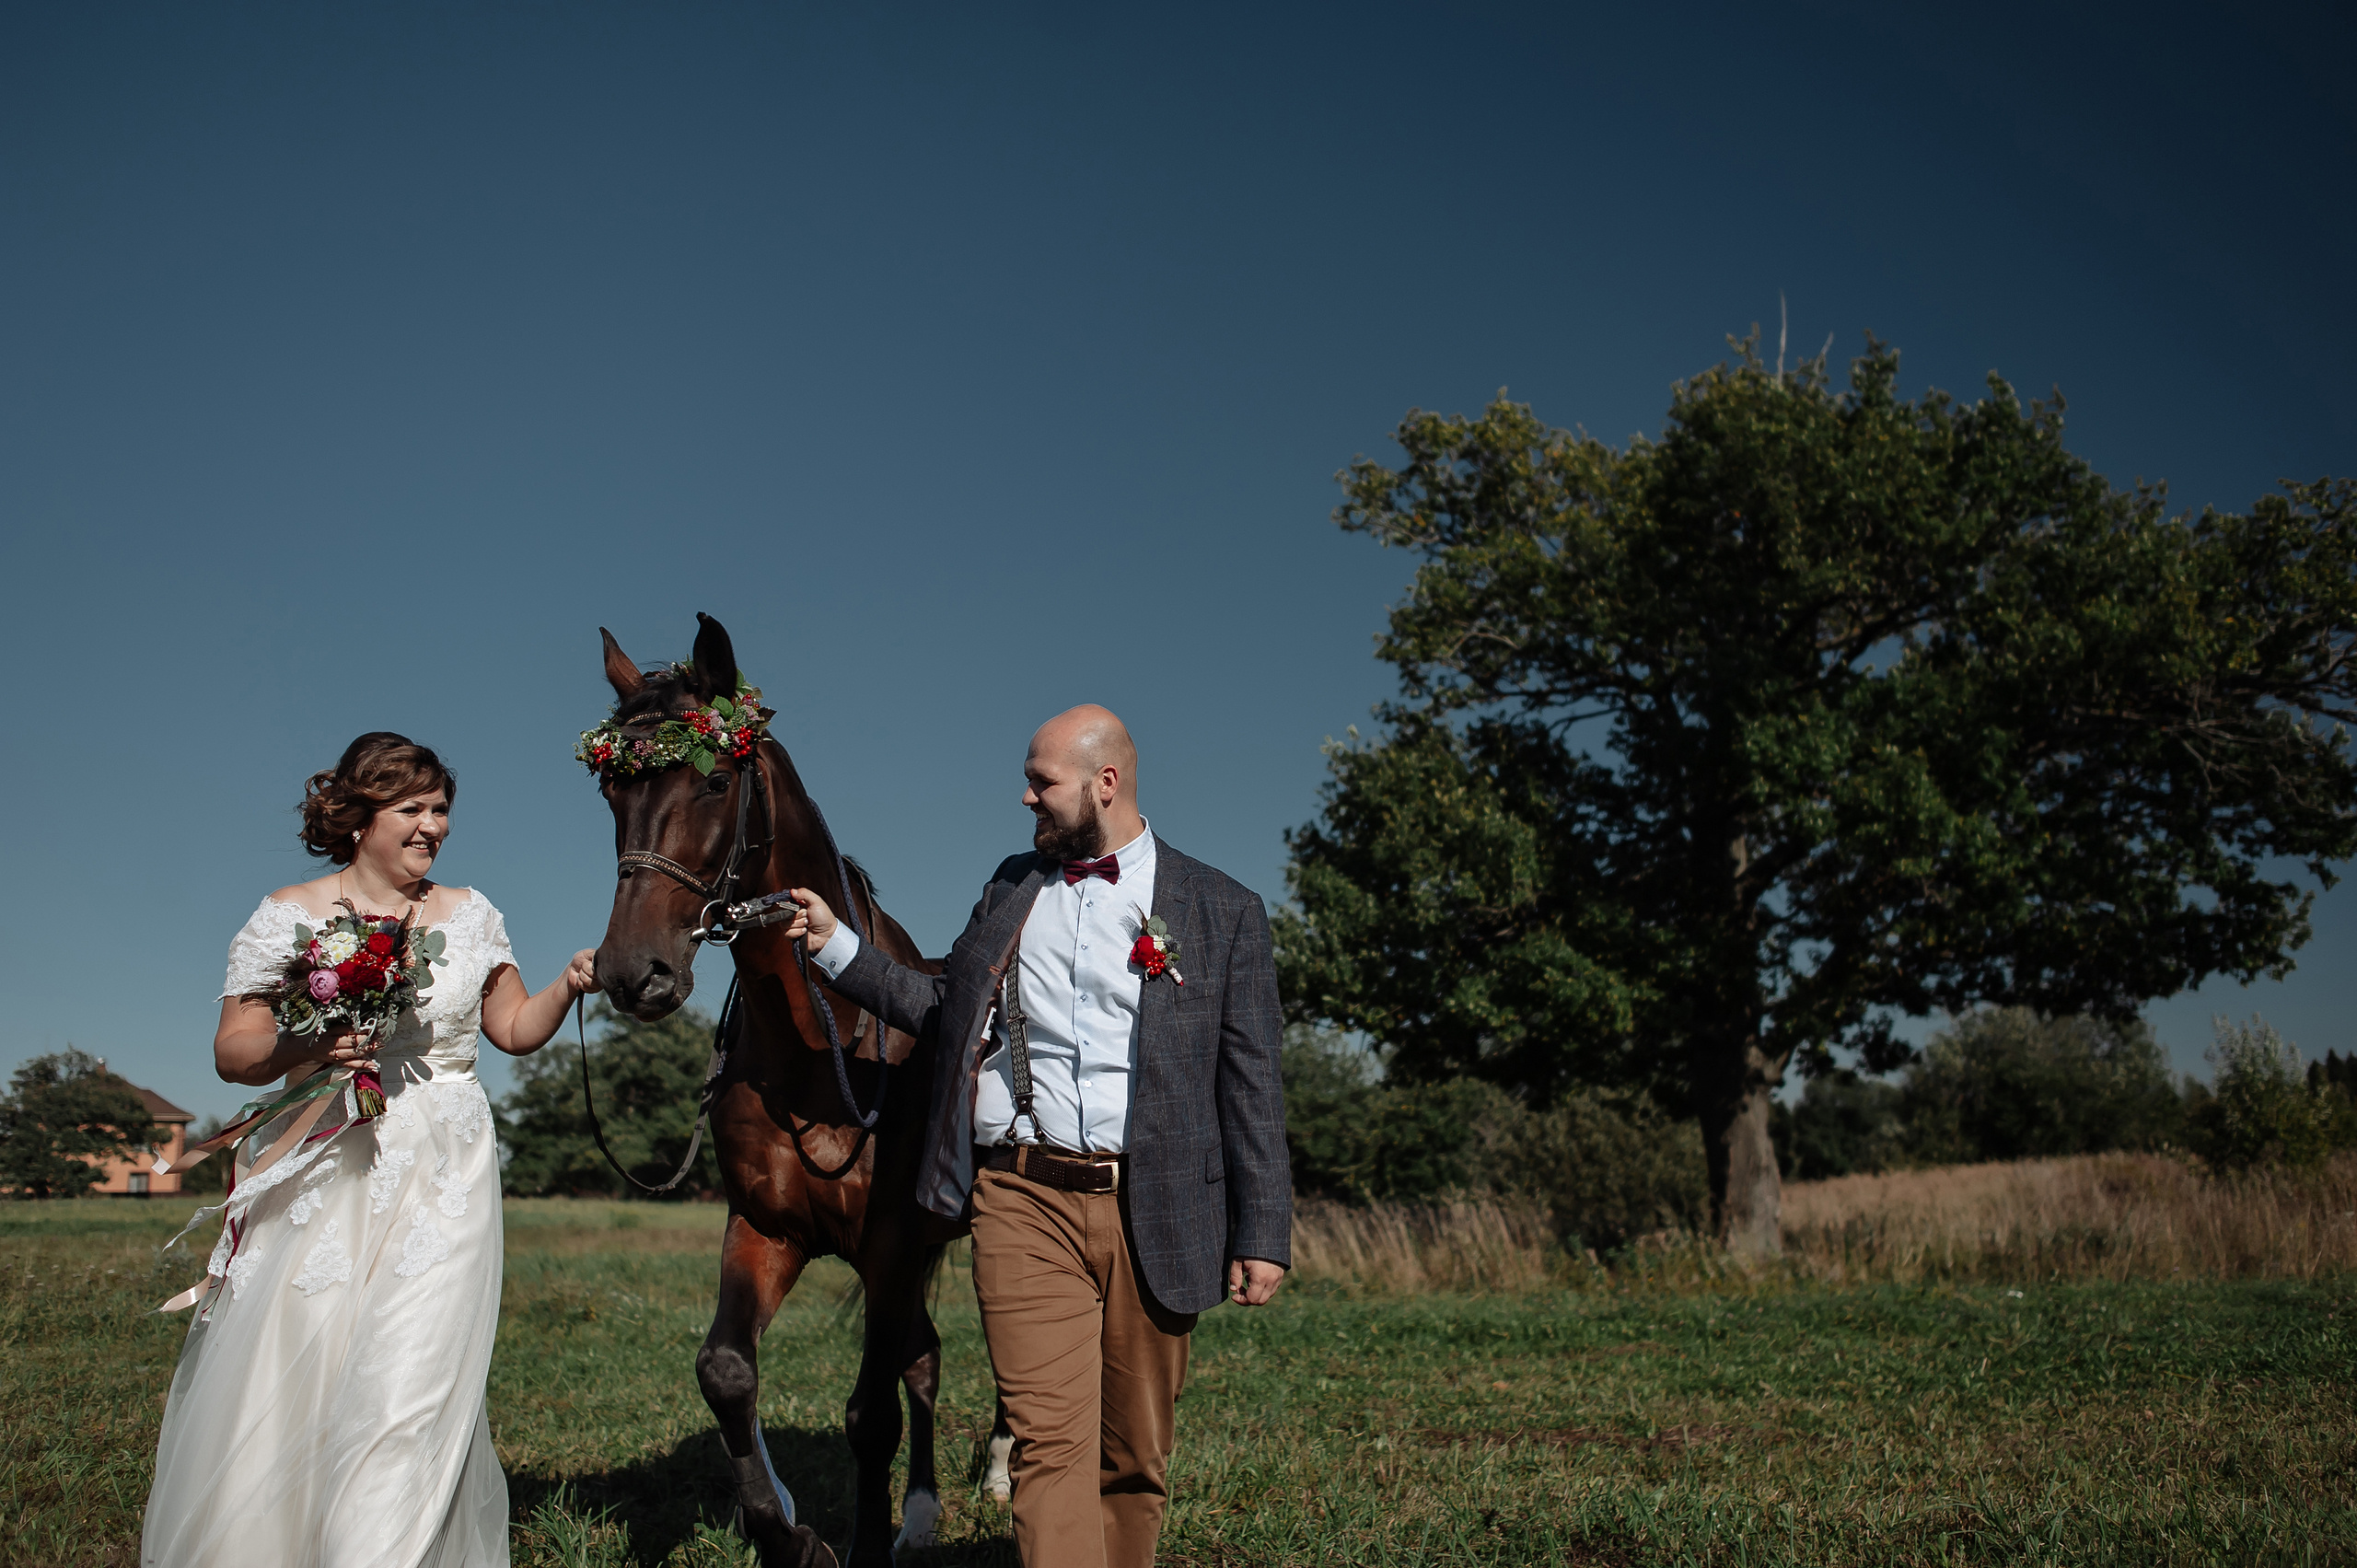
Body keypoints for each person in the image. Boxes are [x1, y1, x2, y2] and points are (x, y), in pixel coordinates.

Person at [781, 704, 1290, 1568]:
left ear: (1105, 783)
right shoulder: (1012, 887)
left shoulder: (1223, 909)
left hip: (1157, 1204)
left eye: (1041, 782)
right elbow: (947, 1014)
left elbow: (1251, 1083)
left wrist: (1262, 1228)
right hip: (1022, 1195)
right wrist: (839, 948)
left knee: (1132, 1456)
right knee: (1049, 1447)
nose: (1025, 798)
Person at [142, 733, 598, 1568]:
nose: (435, 826)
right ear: (359, 818)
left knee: (410, 1380)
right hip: (327, 1159)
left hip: (446, 1169)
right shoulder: (291, 912)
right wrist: (306, 1048)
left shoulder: (473, 913)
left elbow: (509, 1029)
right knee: (299, 1365)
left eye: (441, 808)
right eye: (413, 809)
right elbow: (234, 1050)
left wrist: (567, 984)